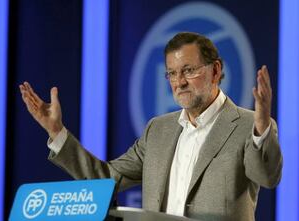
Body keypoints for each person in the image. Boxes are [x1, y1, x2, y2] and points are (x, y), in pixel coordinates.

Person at [19, 32, 282, 221]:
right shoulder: (158, 130)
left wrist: (261, 129)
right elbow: (105, 179)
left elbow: (267, 177)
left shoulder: (250, 124)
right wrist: (56, 132)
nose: (179, 82)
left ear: (215, 70)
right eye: (172, 73)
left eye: (189, 70)